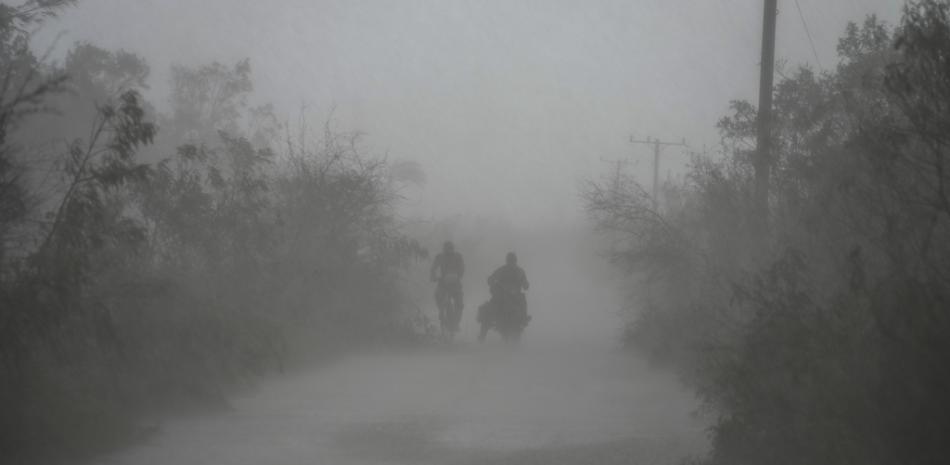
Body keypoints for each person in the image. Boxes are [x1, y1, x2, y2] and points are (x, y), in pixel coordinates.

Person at [484, 252, 530, 330]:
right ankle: (483, 333)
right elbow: (492, 278)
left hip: (515, 295)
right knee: (490, 308)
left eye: (513, 261)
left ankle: (523, 318)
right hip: (502, 294)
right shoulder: (502, 270)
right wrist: (491, 281)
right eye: (510, 261)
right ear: (507, 261)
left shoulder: (520, 271)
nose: (511, 263)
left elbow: (525, 283)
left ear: (515, 261)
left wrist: (526, 284)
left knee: (523, 301)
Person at [430, 241, 465, 330]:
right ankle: (442, 312)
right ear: (444, 249)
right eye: (447, 248)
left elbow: (462, 268)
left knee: (459, 304)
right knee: (438, 296)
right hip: (443, 284)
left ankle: (456, 323)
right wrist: (433, 276)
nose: (449, 250)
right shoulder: (440, 257)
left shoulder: (458, 257)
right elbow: (433, 268)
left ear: (453, 248)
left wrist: (458, 275)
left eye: (451, 248)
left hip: (455, 284)